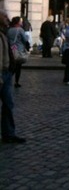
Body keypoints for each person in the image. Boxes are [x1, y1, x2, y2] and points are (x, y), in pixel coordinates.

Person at [0, 9, 26, 143]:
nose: (7, 18)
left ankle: (8, 133)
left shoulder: (5, 32)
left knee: (8, 104)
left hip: (7, 73)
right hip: (2, 73)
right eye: (4, 16)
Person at [7, 17, 29, 88]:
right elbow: (25, 39)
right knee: (18, 67)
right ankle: (16, 82)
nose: (22, 23)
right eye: (21, 21)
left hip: (11, 49)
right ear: (18, 22)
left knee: (12, 66)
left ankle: (7, 79)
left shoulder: (9, 29)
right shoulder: (20, 30)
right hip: (19, 50)